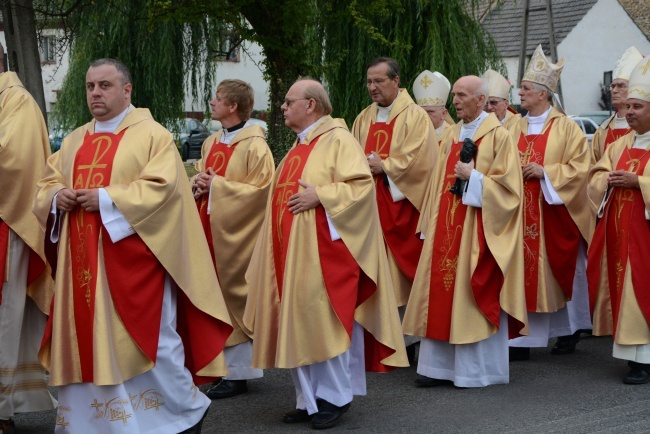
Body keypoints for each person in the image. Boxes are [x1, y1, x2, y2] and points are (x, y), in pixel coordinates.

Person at [33, 58, 233, 433]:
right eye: (91, 86)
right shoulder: (74, 139)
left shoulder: (151, 135)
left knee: (153, 345)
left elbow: (166, 190)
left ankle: (184, 411)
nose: (95, 92)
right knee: (87, 345)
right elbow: (46, 184)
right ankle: (95, 425)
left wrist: (107, 200)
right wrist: (57, 198)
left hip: (136, 265)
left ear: (126, 90)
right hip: (82, 269)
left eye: (105, 85)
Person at [243, 77, 408, 430]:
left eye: (289, 102)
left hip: (325, 255)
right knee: (298, 324)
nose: (283, 108)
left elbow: (361, 188)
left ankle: (335, 398)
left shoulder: (338, 140)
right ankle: (307, 400)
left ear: (311, 105)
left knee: (323, 323)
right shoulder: (298, 146)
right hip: (289, 253)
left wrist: (323, 196)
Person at [402, 75, 527, 388]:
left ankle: (474, 371)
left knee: (468, 294)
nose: (455, 101)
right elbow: (435, 184)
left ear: (481, 100)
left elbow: (511, 192)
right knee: (441, 293)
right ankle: (437, 368)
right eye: (454, 95)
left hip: (476, 230)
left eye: (462, 95)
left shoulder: (499, 136)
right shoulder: (452, 134)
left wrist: (475, 178)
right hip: (446, 228)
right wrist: (428, 225)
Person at [507, 45, 593, 360]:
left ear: (543, 94)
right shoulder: (511, 126)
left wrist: (546, 173)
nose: (520, 92)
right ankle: (520, 340)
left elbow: (580, 169)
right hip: (518, 214)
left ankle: (567, 332)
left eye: (526, 88)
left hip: (551, 214)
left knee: (556, 273)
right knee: (519, 273)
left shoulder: (567, 127)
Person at [193, 79, 274, 399]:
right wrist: (198, 183)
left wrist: (218, 187)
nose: (212, 102)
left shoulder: (256, 146)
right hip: (209, 230)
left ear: (233, 107)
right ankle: (220, 367)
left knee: (236, 297)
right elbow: (201, 176)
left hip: (239, 237)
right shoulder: (211, 141)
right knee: (212, 297)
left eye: (218, 98)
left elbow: (261, 192)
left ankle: (239, 373)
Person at [0, 46, 57, 433]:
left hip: (9, 223)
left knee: (6, 315)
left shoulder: (16, 100)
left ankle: (2, 407)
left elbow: (15, 161)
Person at [351, 57, 436, 314]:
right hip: (368, 207)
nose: (372, 87)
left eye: (379, 81)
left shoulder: (416, 117)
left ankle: (408, 337)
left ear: (396, 81)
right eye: (369, 82)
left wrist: (385, 167)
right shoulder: (363, 118)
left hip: (400, 210)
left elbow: (422, 162)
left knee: (399, 278)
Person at [587, 55, 650, 384]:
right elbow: (596, 174)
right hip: (620, 234)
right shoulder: (622, 142)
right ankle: (635, 359)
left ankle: (644, 361)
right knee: (624, 291)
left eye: (637, 107)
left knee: (641, 289)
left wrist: (638, 182)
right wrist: (606, 181)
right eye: (629, 107)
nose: (629, 113)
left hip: (645, 237)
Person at [591, 47, 643, 163]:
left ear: (634, 89)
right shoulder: (603, 129)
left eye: (621, 86)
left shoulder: (643, 127)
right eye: (613, 86)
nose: (614, 91)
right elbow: (592, 167)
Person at [412, 69, 454, 144]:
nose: (425, 116)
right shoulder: (413, 134)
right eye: (421, 112)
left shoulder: (453, 136)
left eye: (430, 112)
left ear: (444, 114)